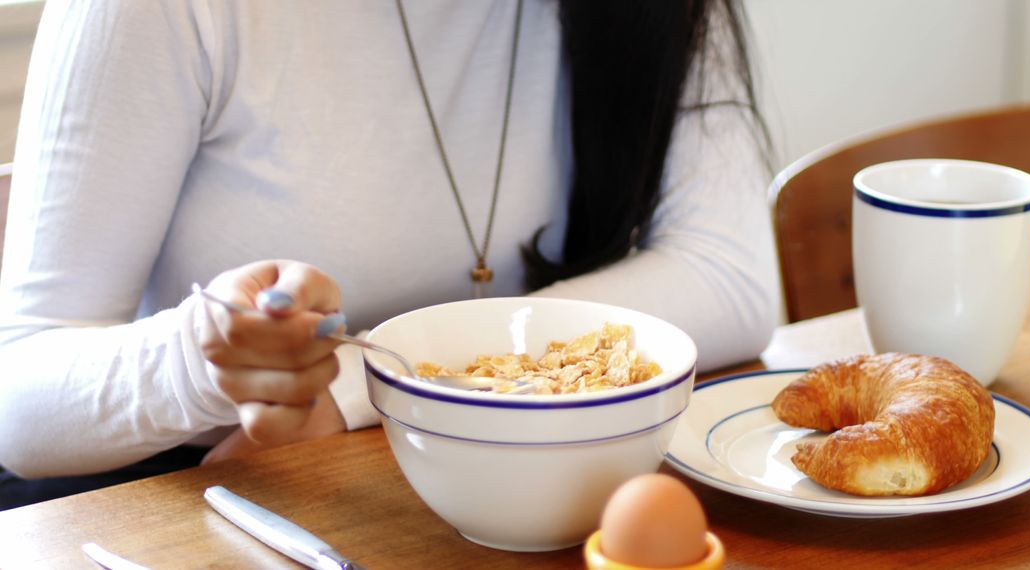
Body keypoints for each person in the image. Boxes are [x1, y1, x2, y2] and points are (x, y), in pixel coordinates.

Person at [0, 0, 780, 509]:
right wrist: (209, 362)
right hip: (192, 501)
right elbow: (20, 406)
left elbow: (729, 278)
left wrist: (352, 387)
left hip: (491, 486)